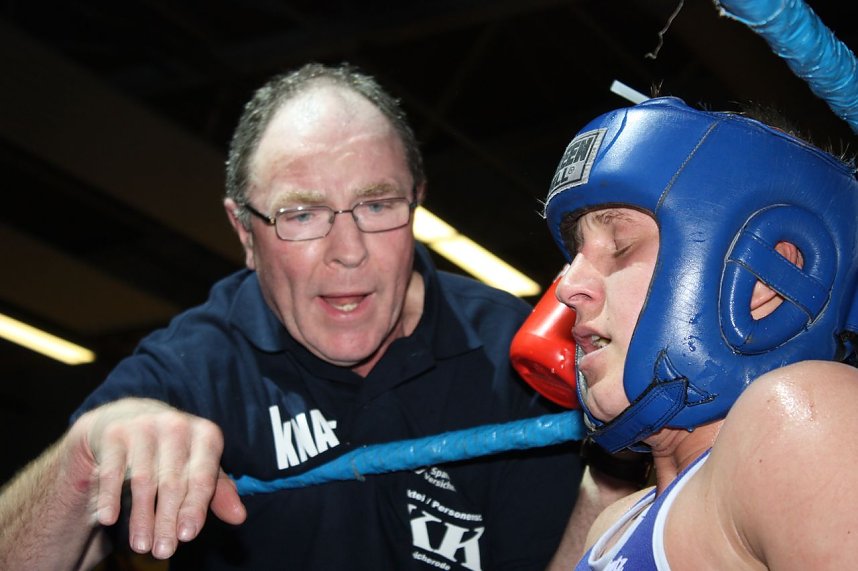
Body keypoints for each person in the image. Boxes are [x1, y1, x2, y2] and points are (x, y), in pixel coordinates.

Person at [0, 63, 589, 570]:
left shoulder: (511, 353)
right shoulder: (195, 370)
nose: (348, 249)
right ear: (245, 233)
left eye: (378, 204)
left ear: (416, 202)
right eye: (301, 215)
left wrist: (614, 477)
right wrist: (84, 454)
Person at [541, 96, 858, 569]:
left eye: (621, 246)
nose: (567, 288)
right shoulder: (614, 523)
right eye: (574, 257)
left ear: (762, 279)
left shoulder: (802, 416)